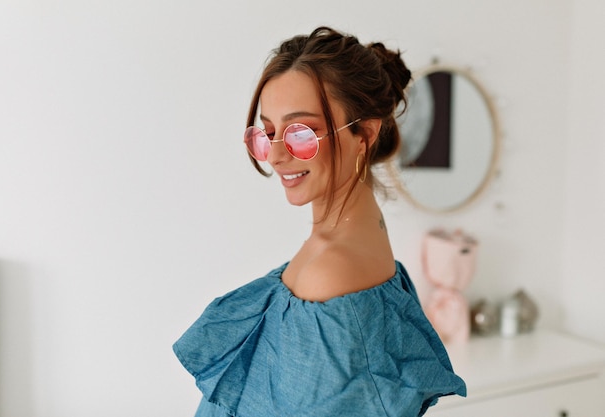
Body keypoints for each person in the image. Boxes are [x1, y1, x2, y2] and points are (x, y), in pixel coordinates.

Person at [173, 26, 466, 417]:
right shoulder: (354, 243)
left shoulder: (331, 271)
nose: (275, 156)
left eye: (300, 132)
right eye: (269, 132)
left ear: (364, 132)